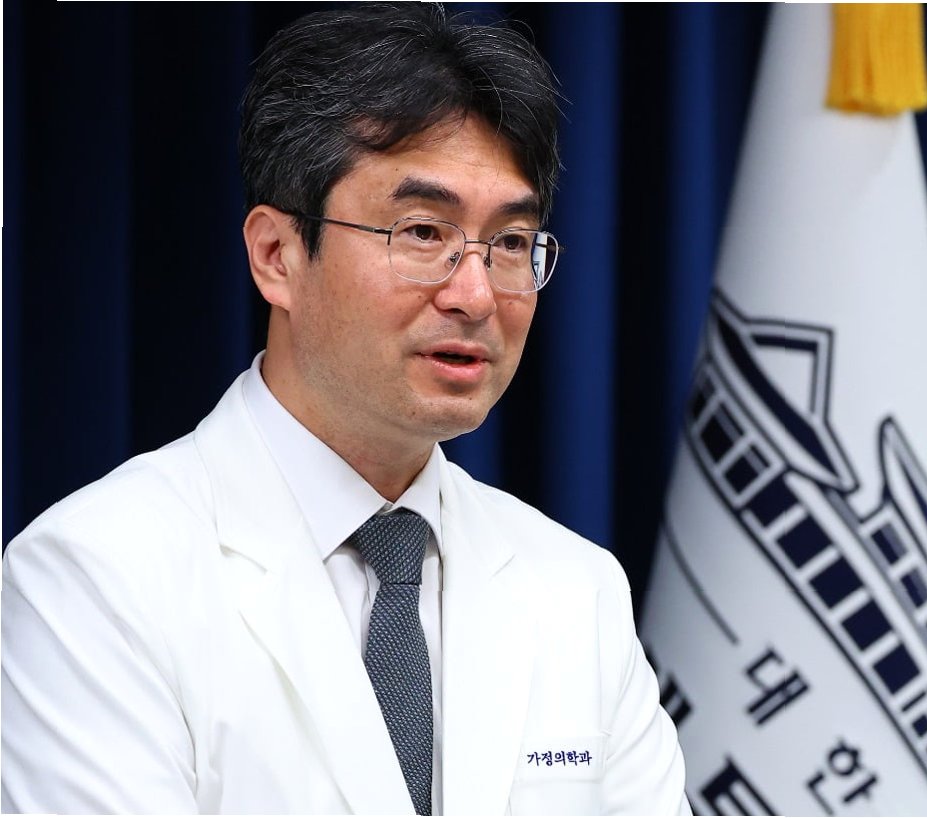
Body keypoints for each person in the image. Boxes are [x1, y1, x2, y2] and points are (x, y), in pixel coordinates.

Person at [0, 4, 688, 814]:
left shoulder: (577, 590)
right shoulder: (95, 575)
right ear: (277, 255)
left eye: (509, 243)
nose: (475, 295)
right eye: (423, 232)